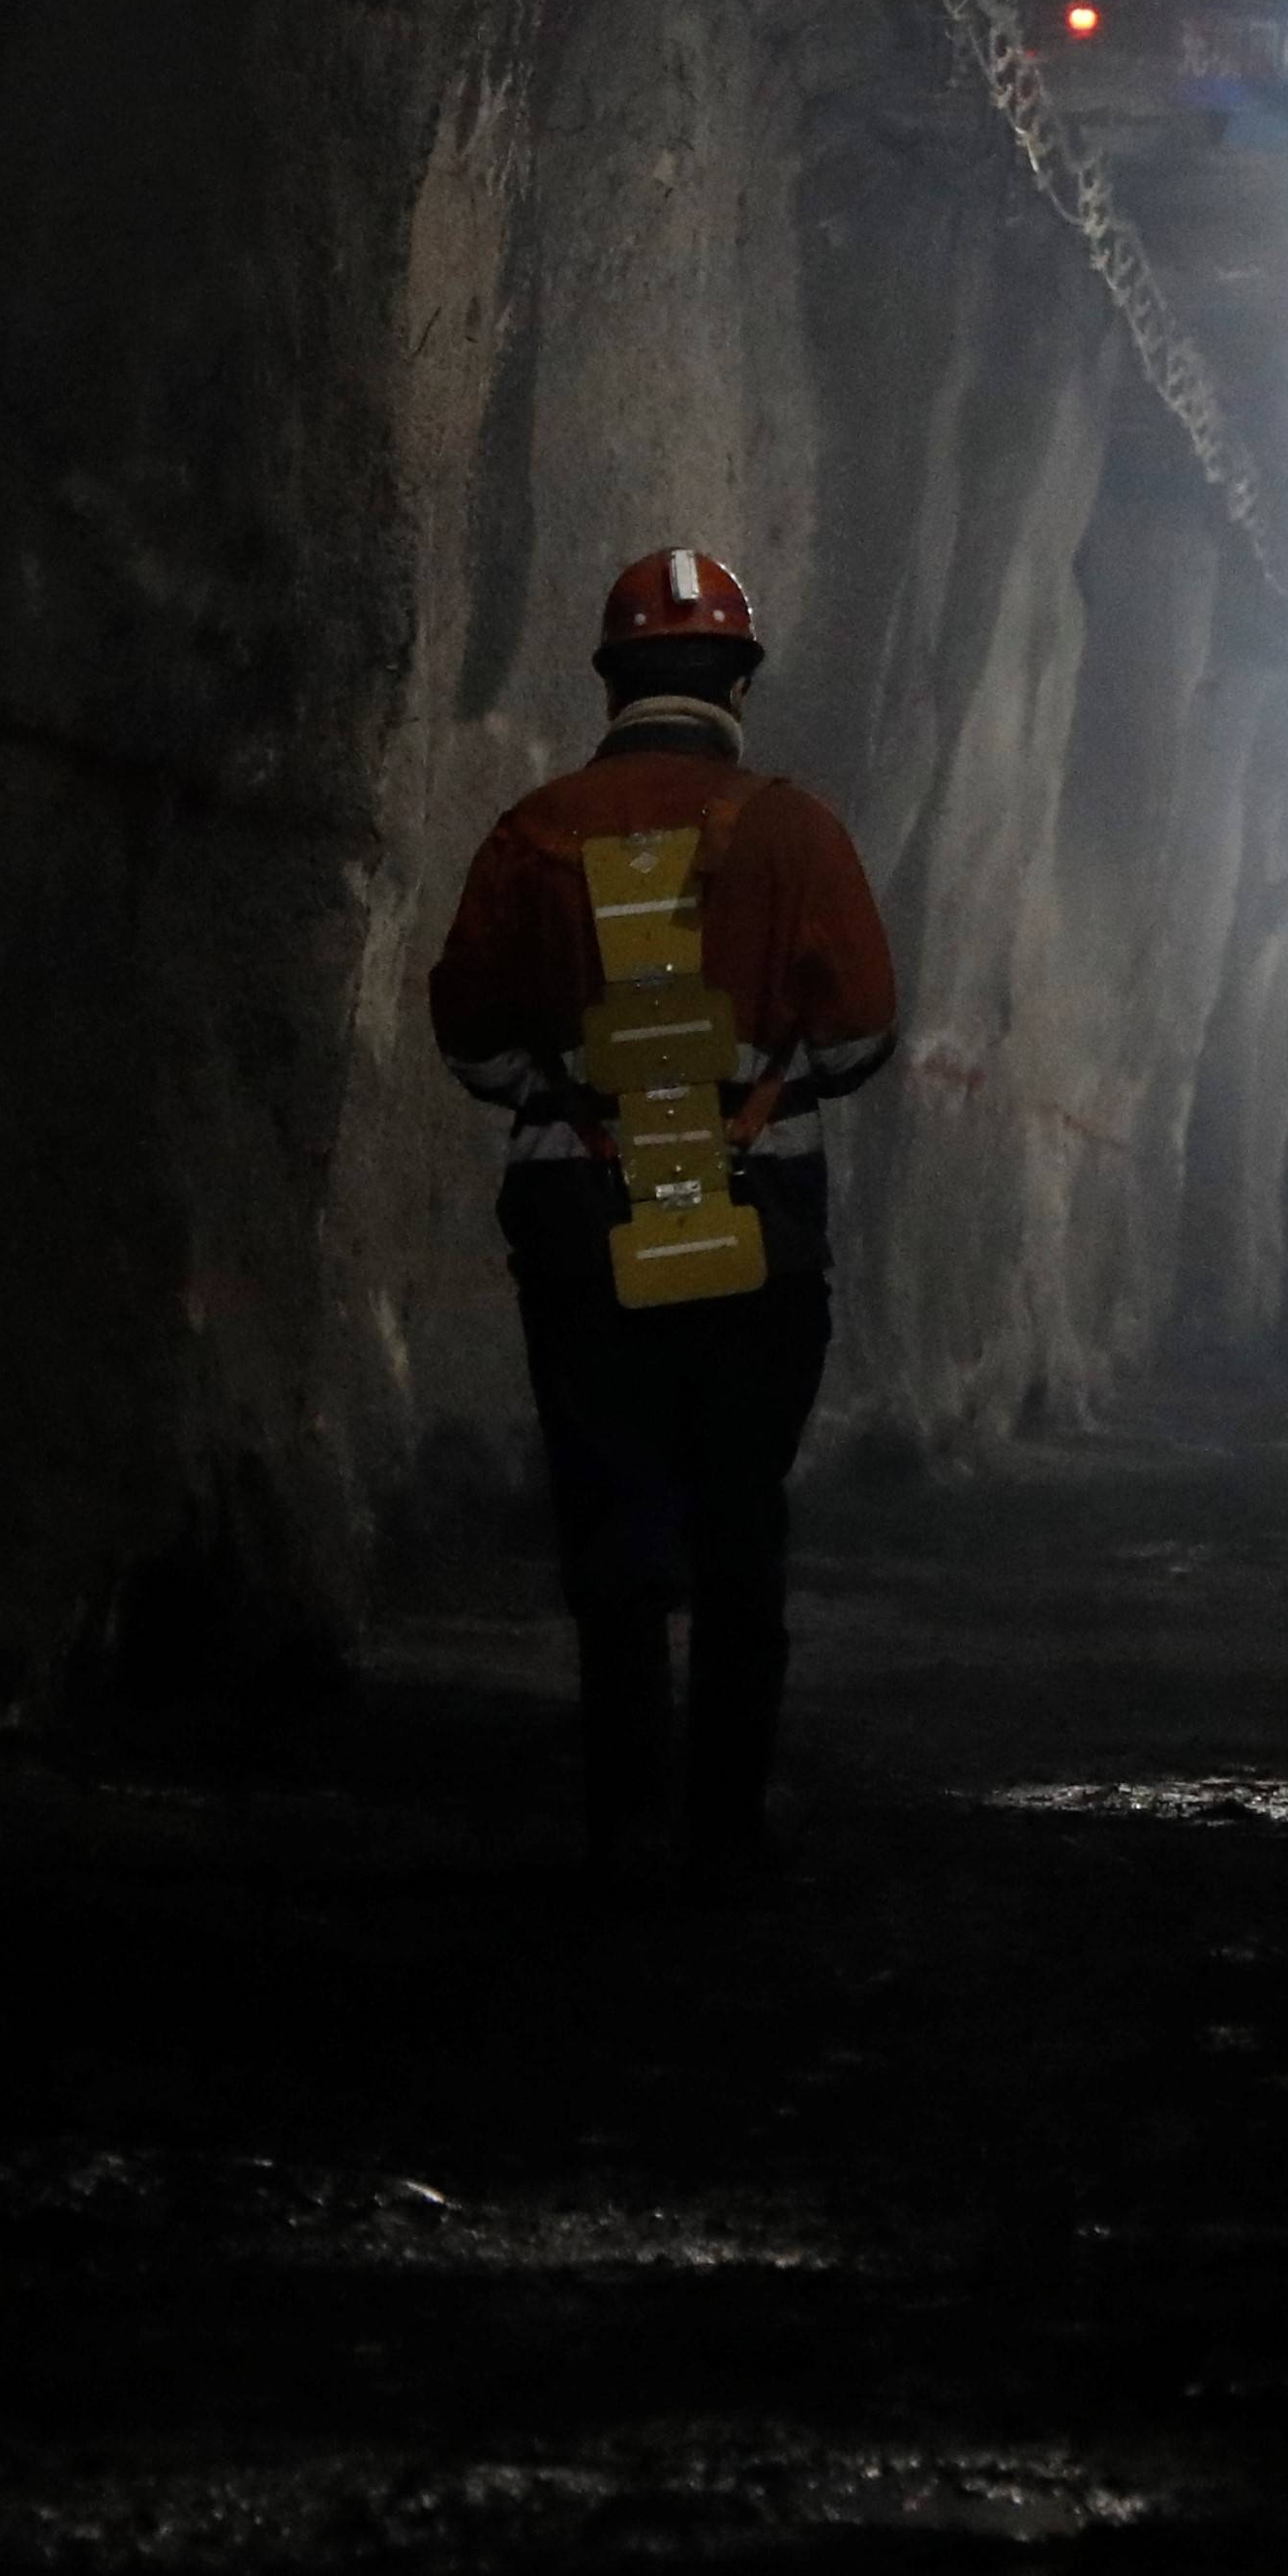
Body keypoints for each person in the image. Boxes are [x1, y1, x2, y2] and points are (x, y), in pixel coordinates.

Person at [426, 546, 900, 1897]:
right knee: (740, 1516)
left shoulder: (535, 829)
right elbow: (861, 1032)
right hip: (759, 1217)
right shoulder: (794, 830)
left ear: (609, 677)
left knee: (612, 1506)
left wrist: (575, 1098)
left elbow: (466, 1040)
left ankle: (621, 1820)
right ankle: (726, 1825)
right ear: (740, 678)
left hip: (580, 1209)